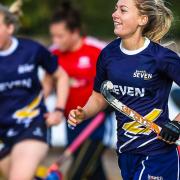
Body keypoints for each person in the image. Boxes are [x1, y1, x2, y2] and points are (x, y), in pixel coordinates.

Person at [68, 0, 180, 179]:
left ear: (142, 19)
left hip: (157, 153)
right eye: (115, 9)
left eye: (123, 10)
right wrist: (84, 113)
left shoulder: (161, 57)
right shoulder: (108, 54)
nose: (115, 14)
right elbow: (98, 98)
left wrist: (176, 123)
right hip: (126, 153)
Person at [0, 1, 69, 180]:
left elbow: (61, 77)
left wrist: (59, 110)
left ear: (9, 28)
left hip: (32, 126)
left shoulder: (31, 50)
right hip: (3, 133)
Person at [44, 2, 112, 180]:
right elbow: (46, 86)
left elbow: (119, 79)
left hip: (97, 122)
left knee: (77, 172)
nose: (55, 41)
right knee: (93, 171)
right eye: (53, 37)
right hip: (71, 122)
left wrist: (110, 103)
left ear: (74, 33)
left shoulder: (97, 50)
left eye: (60, 36)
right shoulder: (54, 54)